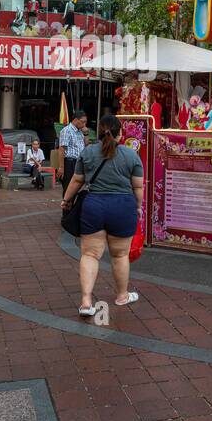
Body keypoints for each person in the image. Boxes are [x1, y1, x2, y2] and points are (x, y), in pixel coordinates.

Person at [61, 114, 144, 317]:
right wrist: (138, 206)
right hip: (122, 207)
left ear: (98, 133)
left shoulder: (88, 152)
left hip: (94, 206)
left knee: (90, 254)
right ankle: (122, 295)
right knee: (120, 255)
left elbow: (77, 180)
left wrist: (66, 200)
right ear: (120, 134)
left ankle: (86, 302)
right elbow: (138, 186)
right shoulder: (131, 155)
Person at [58, 111, 87, 193]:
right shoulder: (66, 130)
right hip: (70, 162)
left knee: (77, 186)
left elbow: (86, 144)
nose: (84, 124)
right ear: (76, 120)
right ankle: (67, 204)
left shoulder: (81, 131)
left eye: (85, 122)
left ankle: (73, 204)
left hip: (79, 161)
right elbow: (62, 149)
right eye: (83, 121)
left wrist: (86, 133)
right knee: (68, 187)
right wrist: (61, 167)